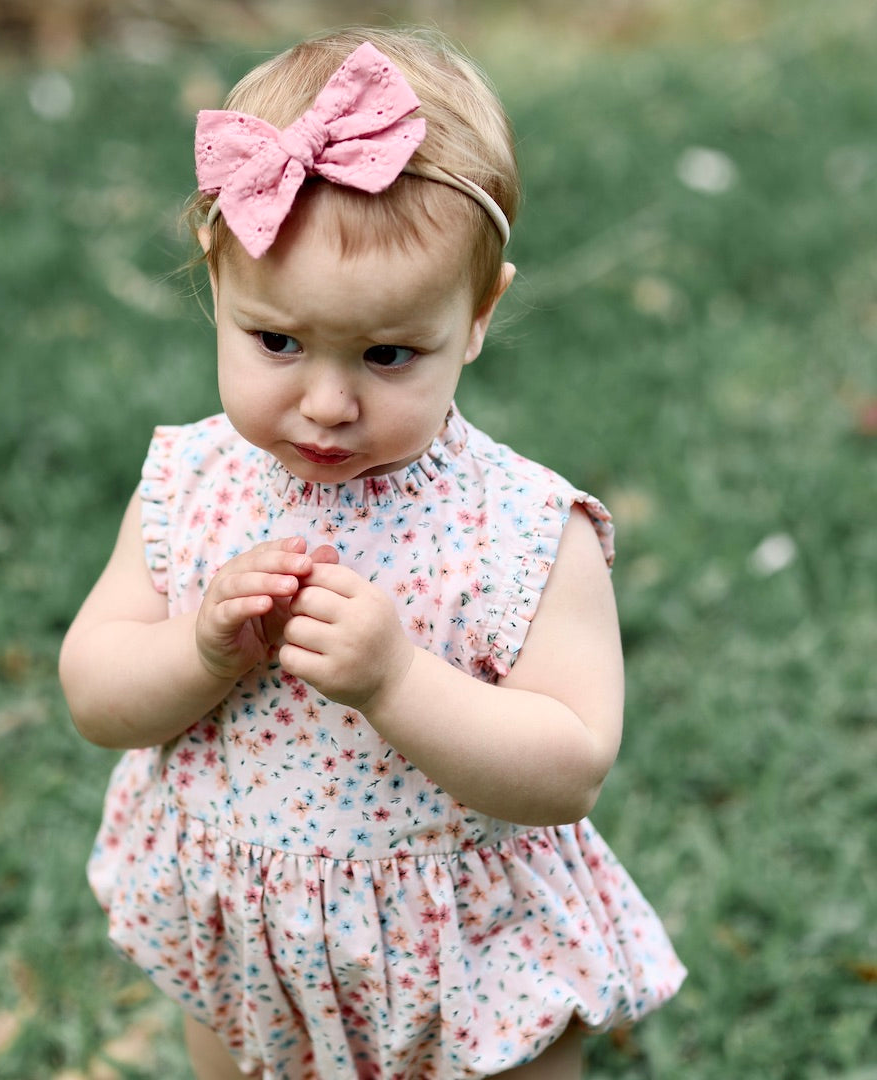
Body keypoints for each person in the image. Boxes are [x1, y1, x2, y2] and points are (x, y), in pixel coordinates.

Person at [60, 26, 685, 1080]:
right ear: (219, 287)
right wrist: (200, 652)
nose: (329, 401)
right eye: (278, 343)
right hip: (247, 933)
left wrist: (398, 680)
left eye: (389, 354)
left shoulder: (526, 530)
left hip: (462, 943)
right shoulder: (189, 483)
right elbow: (93, 693)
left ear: (477, 317)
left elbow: (571, 765)